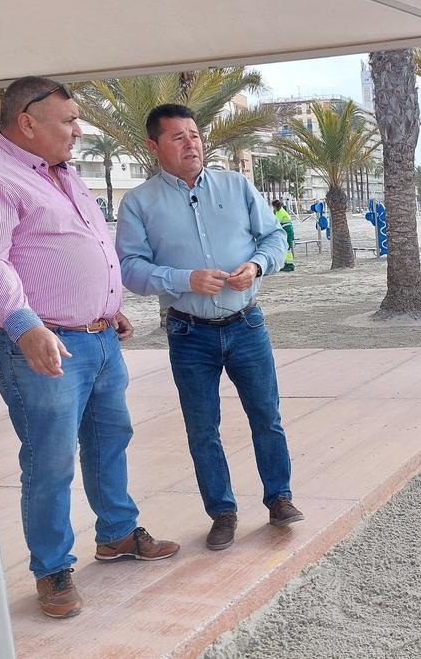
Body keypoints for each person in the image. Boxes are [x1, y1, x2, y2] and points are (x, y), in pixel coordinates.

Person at [0, 76, 179, 620]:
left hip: (98, 337)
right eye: (68, 120)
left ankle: (118, 533)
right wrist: (25, 325)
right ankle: (51, 567)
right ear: (27, 123)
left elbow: (84, 249)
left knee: (110, 439)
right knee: (50, 459)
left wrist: (108, 304)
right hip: (40, 343)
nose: (79, 130)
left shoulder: (63, 174)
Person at [116, 104, 303, 554]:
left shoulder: (237, 185)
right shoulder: (138, 202)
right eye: (178, 137)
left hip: (246, 323)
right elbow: (129, 268)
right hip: (188, 332)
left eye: (195, 135)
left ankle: (279, 499)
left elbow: (275, 237)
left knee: (267, 416)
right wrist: (184, 279)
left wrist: (257, 266)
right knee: (202, 428)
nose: (191, 144)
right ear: (154, 146)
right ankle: (222, 513)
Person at [271, 199, 296, 271]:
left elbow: (275, 222)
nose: (273, 209)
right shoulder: (280, 211)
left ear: (275, 206)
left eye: (273, 207)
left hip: (287, 230)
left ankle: (290, 265)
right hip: (287, 230)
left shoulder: (280, 212)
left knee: (287, 247)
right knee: (285, 247)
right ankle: (286, 264)